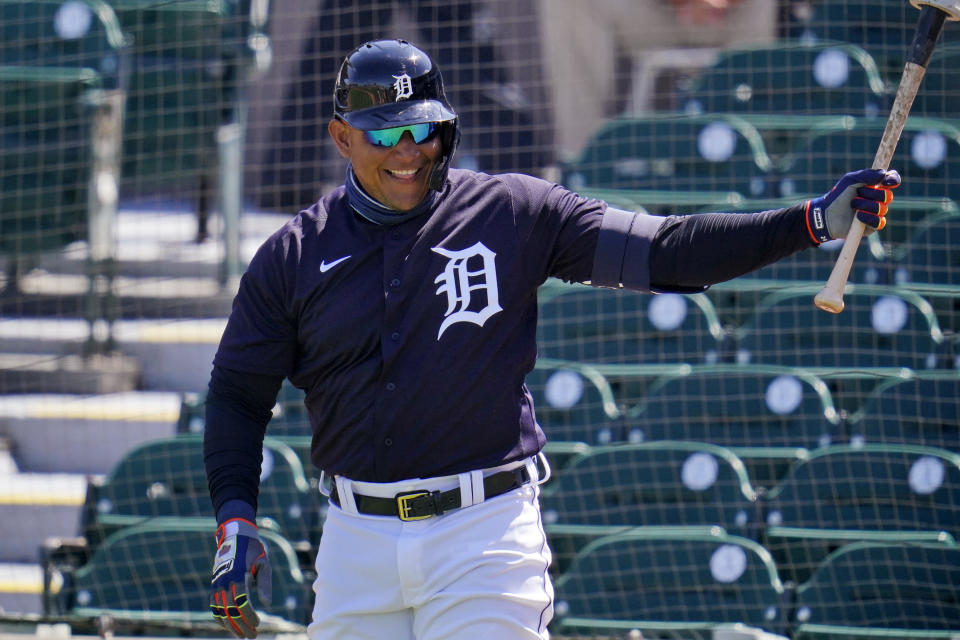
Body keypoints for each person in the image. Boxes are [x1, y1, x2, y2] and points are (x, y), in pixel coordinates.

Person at [204, 38, 900, 640]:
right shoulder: (292, 256)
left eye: (426, 130)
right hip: (355, 541)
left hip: (481, 535)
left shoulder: (514, 212)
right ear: (341, 136)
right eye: (385, 135)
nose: (409, 152)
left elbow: (670, 251)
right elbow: (238, 396)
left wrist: (813, 220)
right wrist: (237, 520)